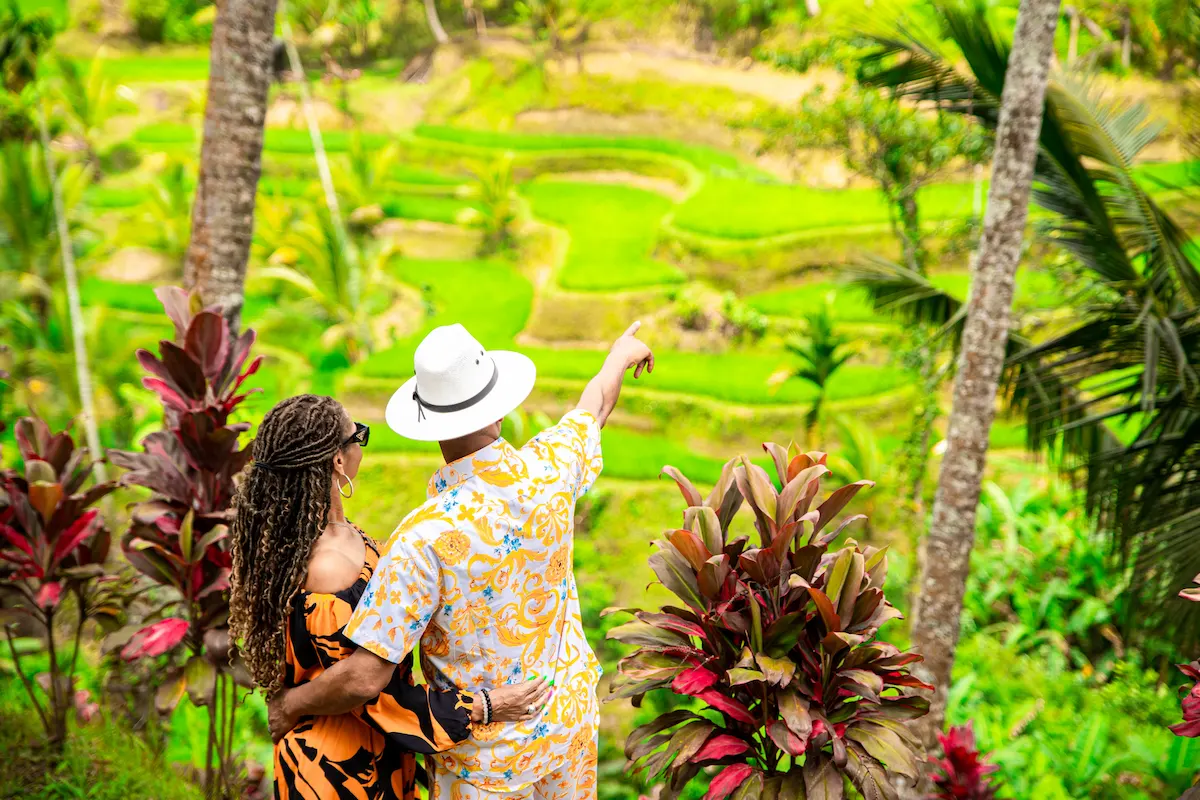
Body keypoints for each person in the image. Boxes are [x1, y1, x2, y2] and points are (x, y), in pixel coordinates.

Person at [267, 322, 655, 799]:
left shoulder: (420, 538)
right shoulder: (550, 470)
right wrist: (619, 354)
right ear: (499, 402)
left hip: (484, 764)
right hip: (566, 727)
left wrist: (291, 703)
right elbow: (593, 407)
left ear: (428, 419)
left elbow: (366, 677)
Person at [228, 394, 552, 800]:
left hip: (364, 750)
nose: (362, 445)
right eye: (357, 436)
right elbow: (362, 688)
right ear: (338, 462)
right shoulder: (328, 567)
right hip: (340, 766)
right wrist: (483, 706)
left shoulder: (320, 539)